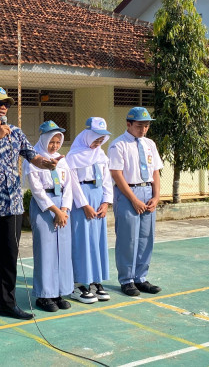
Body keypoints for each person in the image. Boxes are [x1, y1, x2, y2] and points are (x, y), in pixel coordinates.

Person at [0, 86, 59, 329]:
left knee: (10, 258)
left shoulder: (16, 133)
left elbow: (31, 155)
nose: (3, 107)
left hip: (12, 205)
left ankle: (7, 303)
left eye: (6, 103)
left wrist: (45, 163)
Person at [108, 107, 164, 297]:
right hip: (128, 192)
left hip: (148, 191)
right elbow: (116, 173)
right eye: (140, 125)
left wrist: (156, 196)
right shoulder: (119, 145)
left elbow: (156, 171)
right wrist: (133, 199)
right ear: (128, 124)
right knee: (127, 238)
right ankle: (127, 279)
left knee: (146, 237)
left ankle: (141, 277)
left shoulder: (150, 144)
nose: (144, 129)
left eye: (147, 125)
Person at [23, 121, 74, 312]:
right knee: (46, 251)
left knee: (62, 251)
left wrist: (66, 209)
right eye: (51, 141)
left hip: (63, 206)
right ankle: (45, 295)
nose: (54, 145)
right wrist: (57, 211)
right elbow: (37, 190)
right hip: (45, 207)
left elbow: (69, 186)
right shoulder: (35, 158)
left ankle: (60, 291)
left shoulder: (62, 159)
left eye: (57, 141)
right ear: (43, 139)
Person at [65, 117, 113, 304]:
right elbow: (74, 183)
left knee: (97, 241)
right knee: (81, 241)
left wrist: (106, 202)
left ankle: (95, 280)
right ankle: (78, 284)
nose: (97, 144)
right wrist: (84, 205)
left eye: (101, 141)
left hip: (98, 198)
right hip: (82, 201)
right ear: (87, 136)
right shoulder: (73, 156)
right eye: (95, 139)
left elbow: (107, 180)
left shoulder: (101, 155)